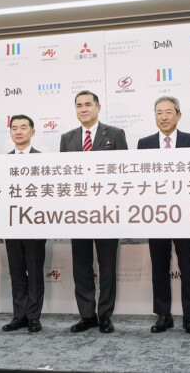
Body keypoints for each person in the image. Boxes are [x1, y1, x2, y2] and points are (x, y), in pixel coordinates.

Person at [60, 90, 128, 333]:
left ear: (98, 107)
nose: (83, 109)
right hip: (78, 214)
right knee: (81, 267)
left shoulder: (116, 134)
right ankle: (87, 315)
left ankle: (105, 315)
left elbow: (125, 173)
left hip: (107, 213)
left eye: (88, 104)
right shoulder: (67, 138)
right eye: (79, 105)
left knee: (107, 267)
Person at [137, 96, 190, 335]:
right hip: (156, 216)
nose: (163, 117)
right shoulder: (144, 144)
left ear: (178, 115)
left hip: (185, 215)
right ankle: (163, 315)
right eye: (159, 113)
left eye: (168, 112)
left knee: (188, 267)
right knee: (159, 266)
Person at [2, 114, 46, 333]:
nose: (18, 132)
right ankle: (19, 315)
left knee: (35, 273)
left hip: (35, 228)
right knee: (16, 273)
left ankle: (34, 317)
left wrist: (43, 225)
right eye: (14, 128)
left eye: (23, 127)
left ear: (32, 132)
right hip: (11, 227)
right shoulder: (2, 162)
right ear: (10, 132)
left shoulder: (43, 160)